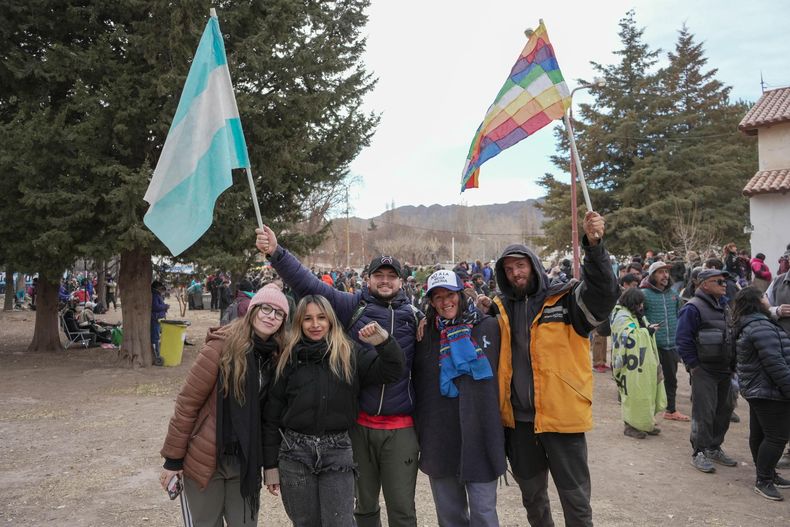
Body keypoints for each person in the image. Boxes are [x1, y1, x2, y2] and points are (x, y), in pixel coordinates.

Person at [256, 226, 420, 527]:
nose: (384, 281)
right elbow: (309, 286)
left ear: (400, 281)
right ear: (367, 279)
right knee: (363, 507)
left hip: (400, 424)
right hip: (357, 425)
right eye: (378, 275)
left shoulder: (416, 316)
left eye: (391, 276)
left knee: (402, 508)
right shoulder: (352, 306)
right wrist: (277, 253)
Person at [479, 211, 618, 526]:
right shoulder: (500, 309)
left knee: (576, 501)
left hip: (562, 419)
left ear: (533, 265)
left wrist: (595, 247)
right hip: (519, 424)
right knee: (534, 501)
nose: (516, 272)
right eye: (509, 268)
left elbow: (603, 294)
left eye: (521, 265)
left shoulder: (565, 300)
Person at [262, 295, 404, 526]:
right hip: (295, 452)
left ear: (331, 320)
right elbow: (271, 415)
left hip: (336, 450)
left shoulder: (349, 352)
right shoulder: (288, 357)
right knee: (305, 522)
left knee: (340, 521)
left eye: (321, 318)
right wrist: (270, 466)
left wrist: (384, 343)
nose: (315, 324)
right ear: (299, 322)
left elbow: (391, 371)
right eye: (308, 319)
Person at [159, 284, 289, 526]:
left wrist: (271, 464)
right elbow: (188, 403)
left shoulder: (276, 357)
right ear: (252, 310)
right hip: (207, 458)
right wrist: (173, 460)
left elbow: (269, 418)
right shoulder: (221, 347)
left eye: (278, 313)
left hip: (245, 462)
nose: (271, 316)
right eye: (265, 309)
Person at [413, 270, 505, 526]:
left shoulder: (489, 326)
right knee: (450, 517)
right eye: (438, 297)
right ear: (431, 302)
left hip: (482, 433)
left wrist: (494, 307)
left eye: (450, 294)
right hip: (440, 437)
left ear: (461, 294)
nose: (445, 302)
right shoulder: (424, 335)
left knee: (484, 514)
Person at [676, 269, 738, 473]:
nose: (723, 284)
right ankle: (699, 452)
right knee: (704, 412)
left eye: (724, 281)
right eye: (718, 281)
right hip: (704, 370)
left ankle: (714, 447)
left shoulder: (724, 306)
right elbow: (683, 340)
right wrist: (694, 366)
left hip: (725, 370)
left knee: (725, 409)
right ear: (704, 284)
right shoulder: (693, 308)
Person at [732, 286, 790, 500]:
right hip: (768, 390)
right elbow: (774, 363)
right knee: (777, 437)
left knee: (761, 433)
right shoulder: (760, 326)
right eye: (764, 296)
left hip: (760, 388)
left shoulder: (752, 323)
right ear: (757, 301)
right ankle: (763, 479)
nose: (768, 298)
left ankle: (767, 474)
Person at [611, 288, 667, 439]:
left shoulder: (634, 314)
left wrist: (648, 329)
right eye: (639, 303)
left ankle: (645, 423)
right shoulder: (621, 316)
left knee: (647, 392)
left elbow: (640, 330)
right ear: (632, 302)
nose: (641, 306)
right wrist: (647, 331)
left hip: (643, 361)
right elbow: (627, 337)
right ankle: (630, 426)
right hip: (630, 364)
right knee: (635, 394)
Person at [640, 261, 689, 422]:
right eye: (660, 272)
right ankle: (647, 414)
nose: (665, 276)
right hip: (652, 345)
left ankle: (671, 410)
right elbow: (639, 318)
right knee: (650, 381)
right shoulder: (644, 294)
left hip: (671, 345)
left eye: (666, 272)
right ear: (652, 275)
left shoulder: (673, 295)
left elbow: (679, 315)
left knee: (671, 379)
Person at [151, 281, 169, 366]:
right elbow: (155, 307)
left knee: (157, 336)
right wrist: (165, 306)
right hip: (155, 318)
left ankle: (157, 355)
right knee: (155, 338)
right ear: (157, 287)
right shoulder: (155, 295)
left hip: (158, 318)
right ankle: (156, 356)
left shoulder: (157, 295)